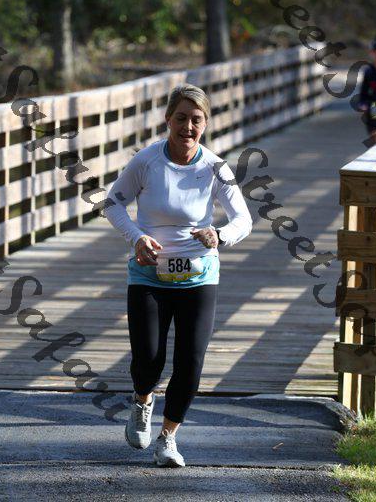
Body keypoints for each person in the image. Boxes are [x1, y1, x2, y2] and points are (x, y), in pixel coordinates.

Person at [104, 83, 253, 467]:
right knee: (148, 359)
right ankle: (142, 400)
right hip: (148, 274)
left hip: (199, 276)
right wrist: (136, 237)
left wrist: (219, 235)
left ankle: (168, 438)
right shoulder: (146, 162)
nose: (188, 127)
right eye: (181, 118)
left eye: (196, 120)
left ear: (206, 123)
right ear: (168, 119)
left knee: (190, 362)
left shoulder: (215, 167)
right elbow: (113, 204)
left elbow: (243, 219)